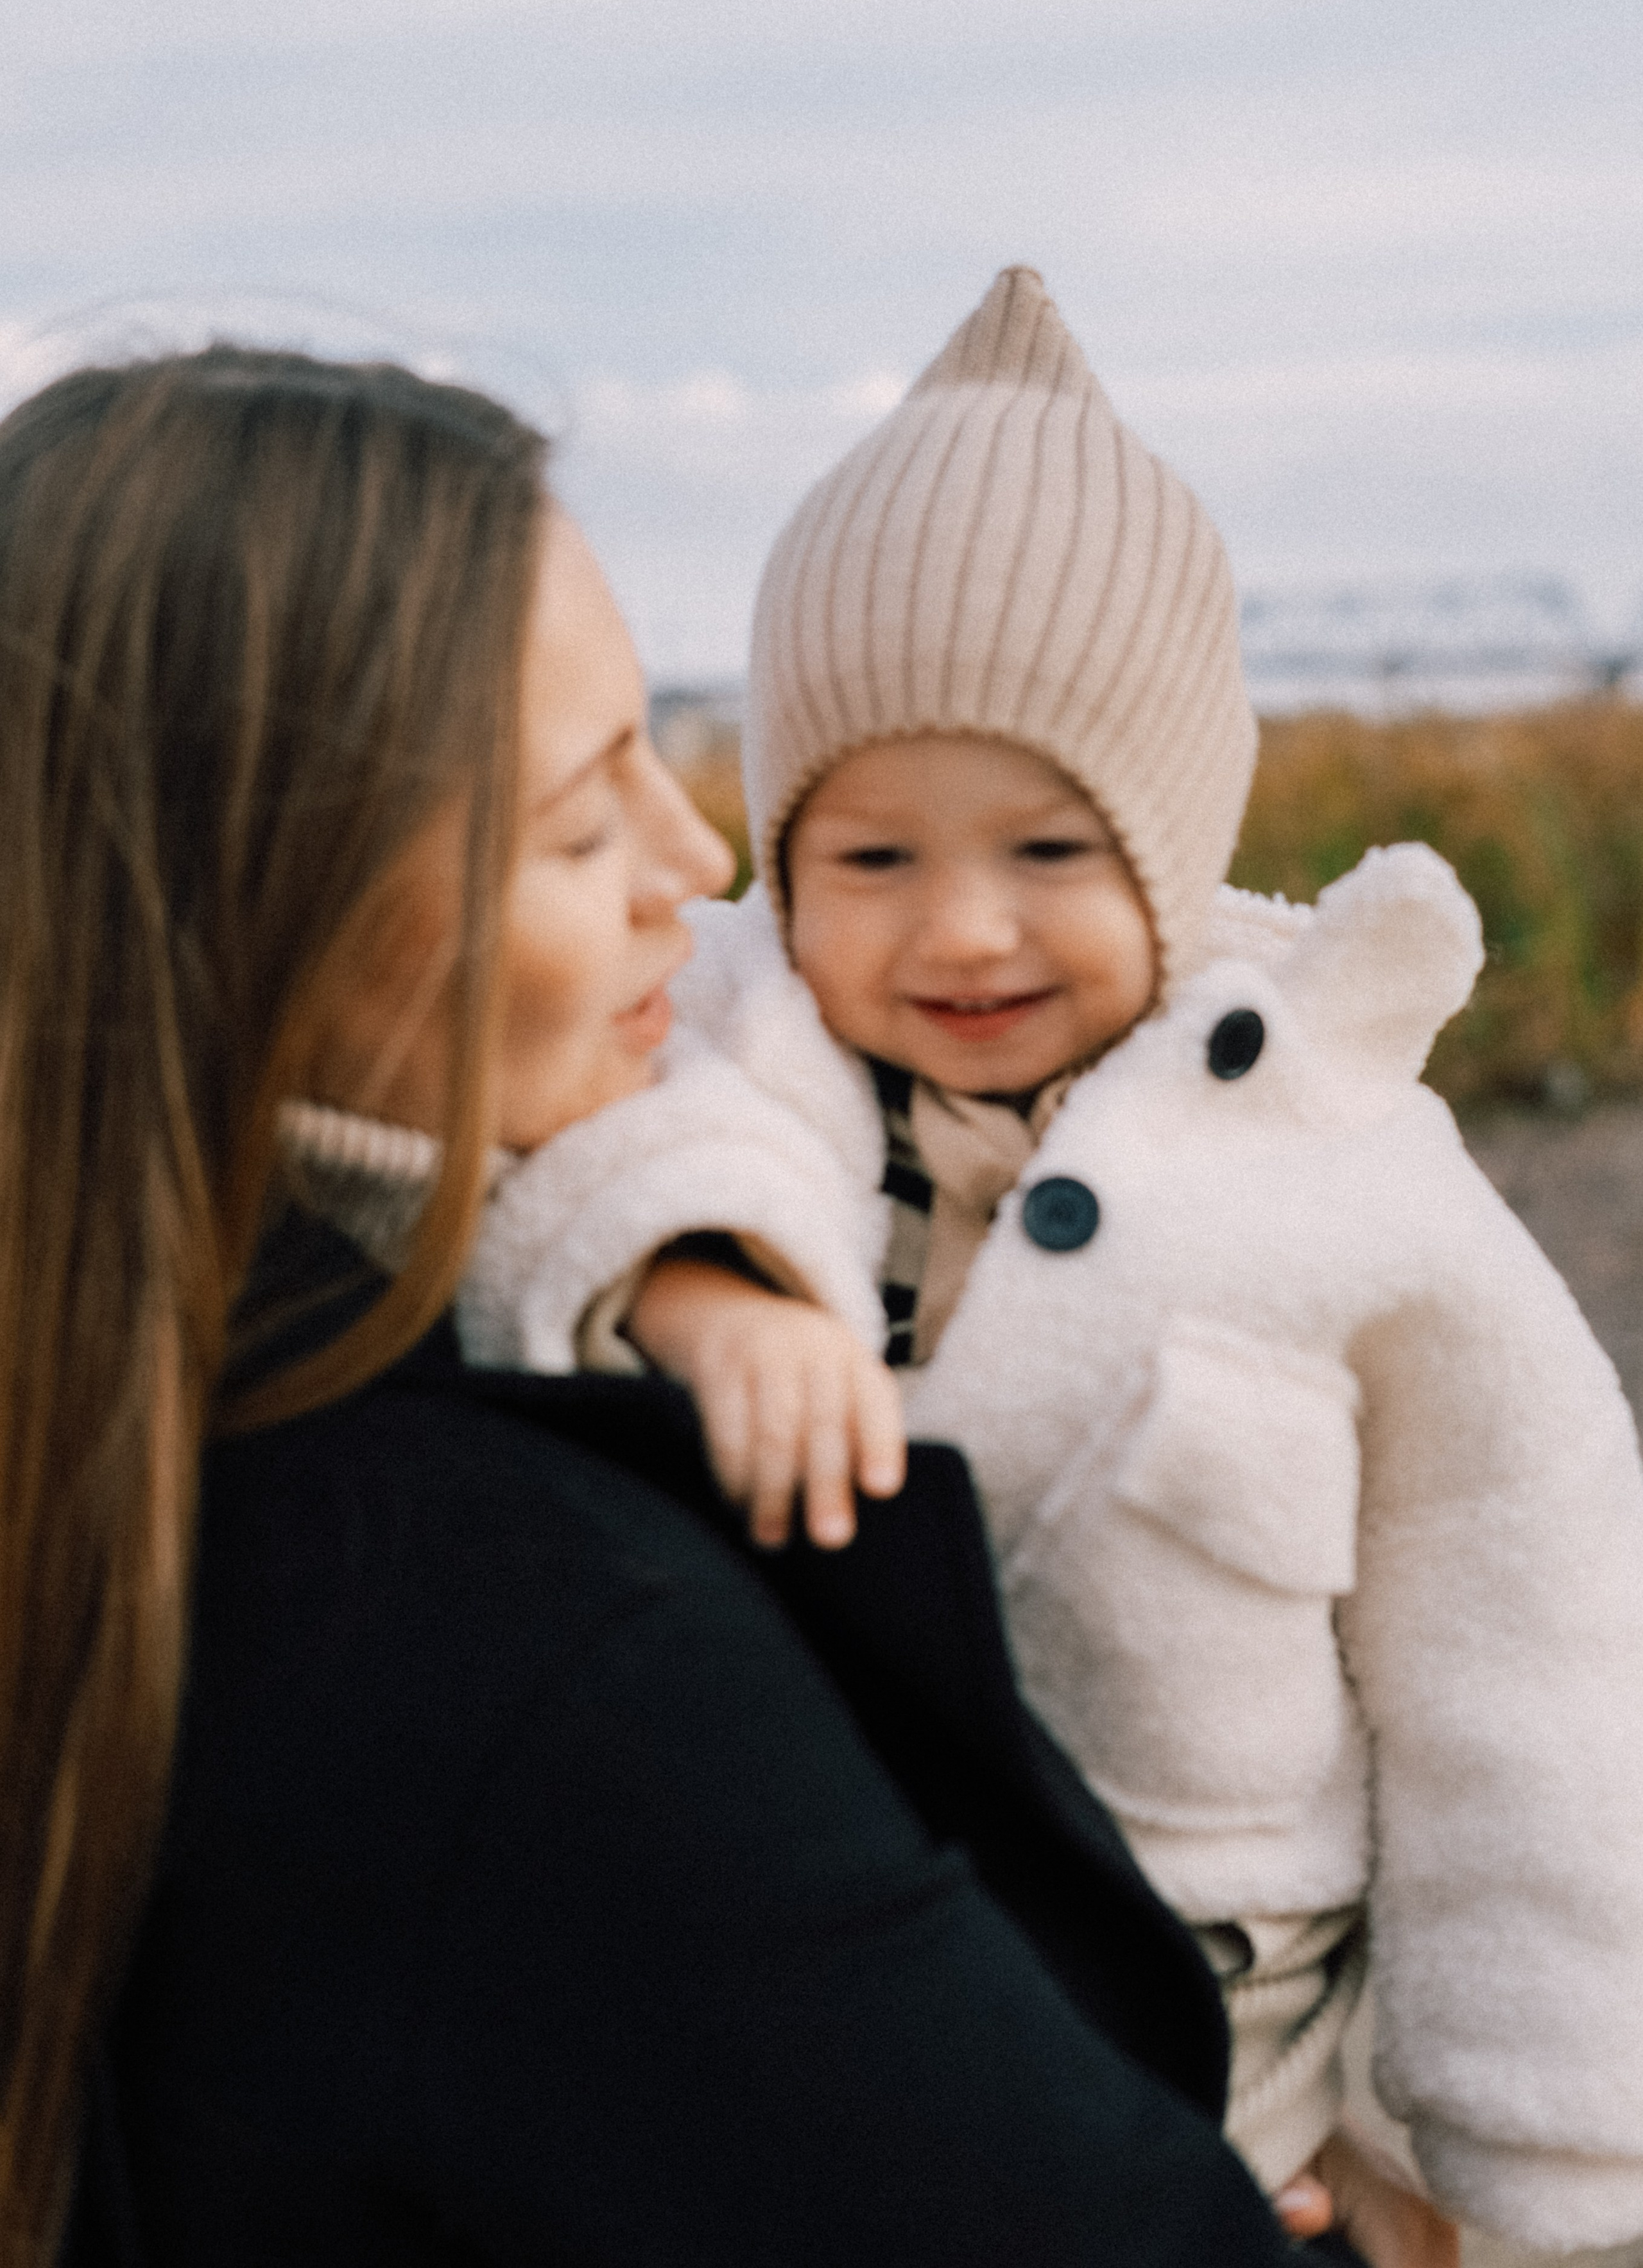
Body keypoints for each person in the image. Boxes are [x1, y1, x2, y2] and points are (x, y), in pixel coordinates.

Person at [0, 341, 1321, 2267]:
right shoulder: (537, 1652)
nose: (699, 870)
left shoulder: (124, 1451)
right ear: (263, 903)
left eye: (658, 760)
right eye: (573, 825)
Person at [428, 270, 1643, 2258]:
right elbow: (602, 1162)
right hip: (830, 2026)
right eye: (873, 858)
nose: (962, 932)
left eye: (1053, 854)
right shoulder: (739, 1055)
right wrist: (709, 1284)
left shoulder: (1346, 1171)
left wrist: (1554, 2179)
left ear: (1170, 853)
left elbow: (1529, 1667)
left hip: (1230, 2058)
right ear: (781, 861)